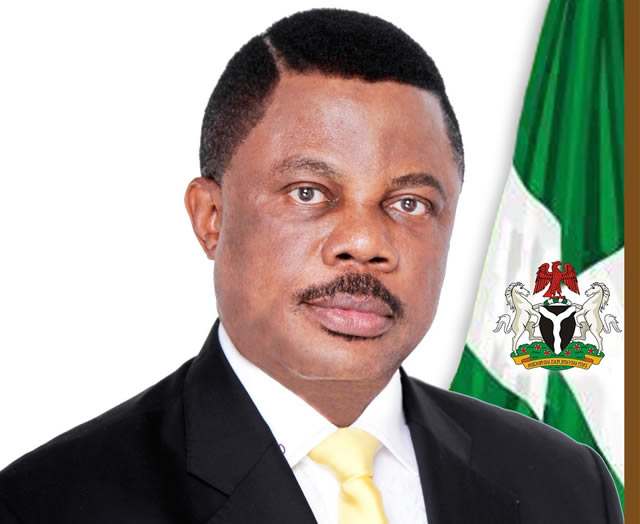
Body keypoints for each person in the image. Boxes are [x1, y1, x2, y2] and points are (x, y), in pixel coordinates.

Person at [0, 8, 622, 524]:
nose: (365, 242)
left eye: (409, 203)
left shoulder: (567, 488)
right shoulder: (48, 504)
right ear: (211, 217)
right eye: (309, 193)